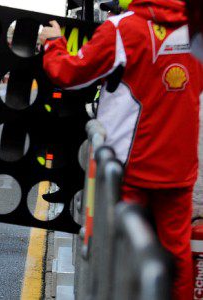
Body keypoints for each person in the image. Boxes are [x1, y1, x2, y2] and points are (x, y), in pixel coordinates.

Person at [38, 0, 203, 298]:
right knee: (177, 254)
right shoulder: (195, 28)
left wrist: (53, 44)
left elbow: (70, 74)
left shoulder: (121, 29)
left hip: (128, 168)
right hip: (179, 167)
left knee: (117, 251)